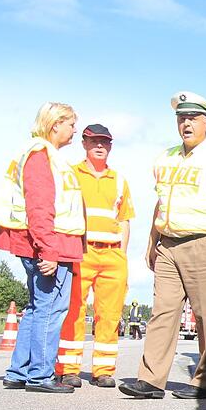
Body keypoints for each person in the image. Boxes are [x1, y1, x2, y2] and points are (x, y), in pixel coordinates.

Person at [120, 91, 206, 399]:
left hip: (205, 243)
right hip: (168, 245)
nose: (186, 124)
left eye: (193, 119)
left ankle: (203, 382)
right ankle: (150, 380)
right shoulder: (165, 158)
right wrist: (152, 241)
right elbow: (160, 202)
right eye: (181, 119)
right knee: (162, 312)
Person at [0, 102, 85, 394]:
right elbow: (40, 207)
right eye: (71, 124)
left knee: (36, 308)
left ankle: (19, 371)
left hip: (42, 243)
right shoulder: (42, 155)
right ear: (55, 124)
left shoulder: (41, 153)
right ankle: (40, 375)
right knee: (50, 307)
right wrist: (48, 251)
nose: (74, 130)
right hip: (50, 244)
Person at [54, 124, 133, 389]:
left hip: (112, 255)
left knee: (109, 315)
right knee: (74, 311)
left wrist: (121, 254)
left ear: (110, 146)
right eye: (94, 141)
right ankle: (68, 369)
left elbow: (124, 220)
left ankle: (103, 370)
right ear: (84, 144)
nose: (100, 146)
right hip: (80, 252)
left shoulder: (119, 180)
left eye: (105, 142)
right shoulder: (71, 175)